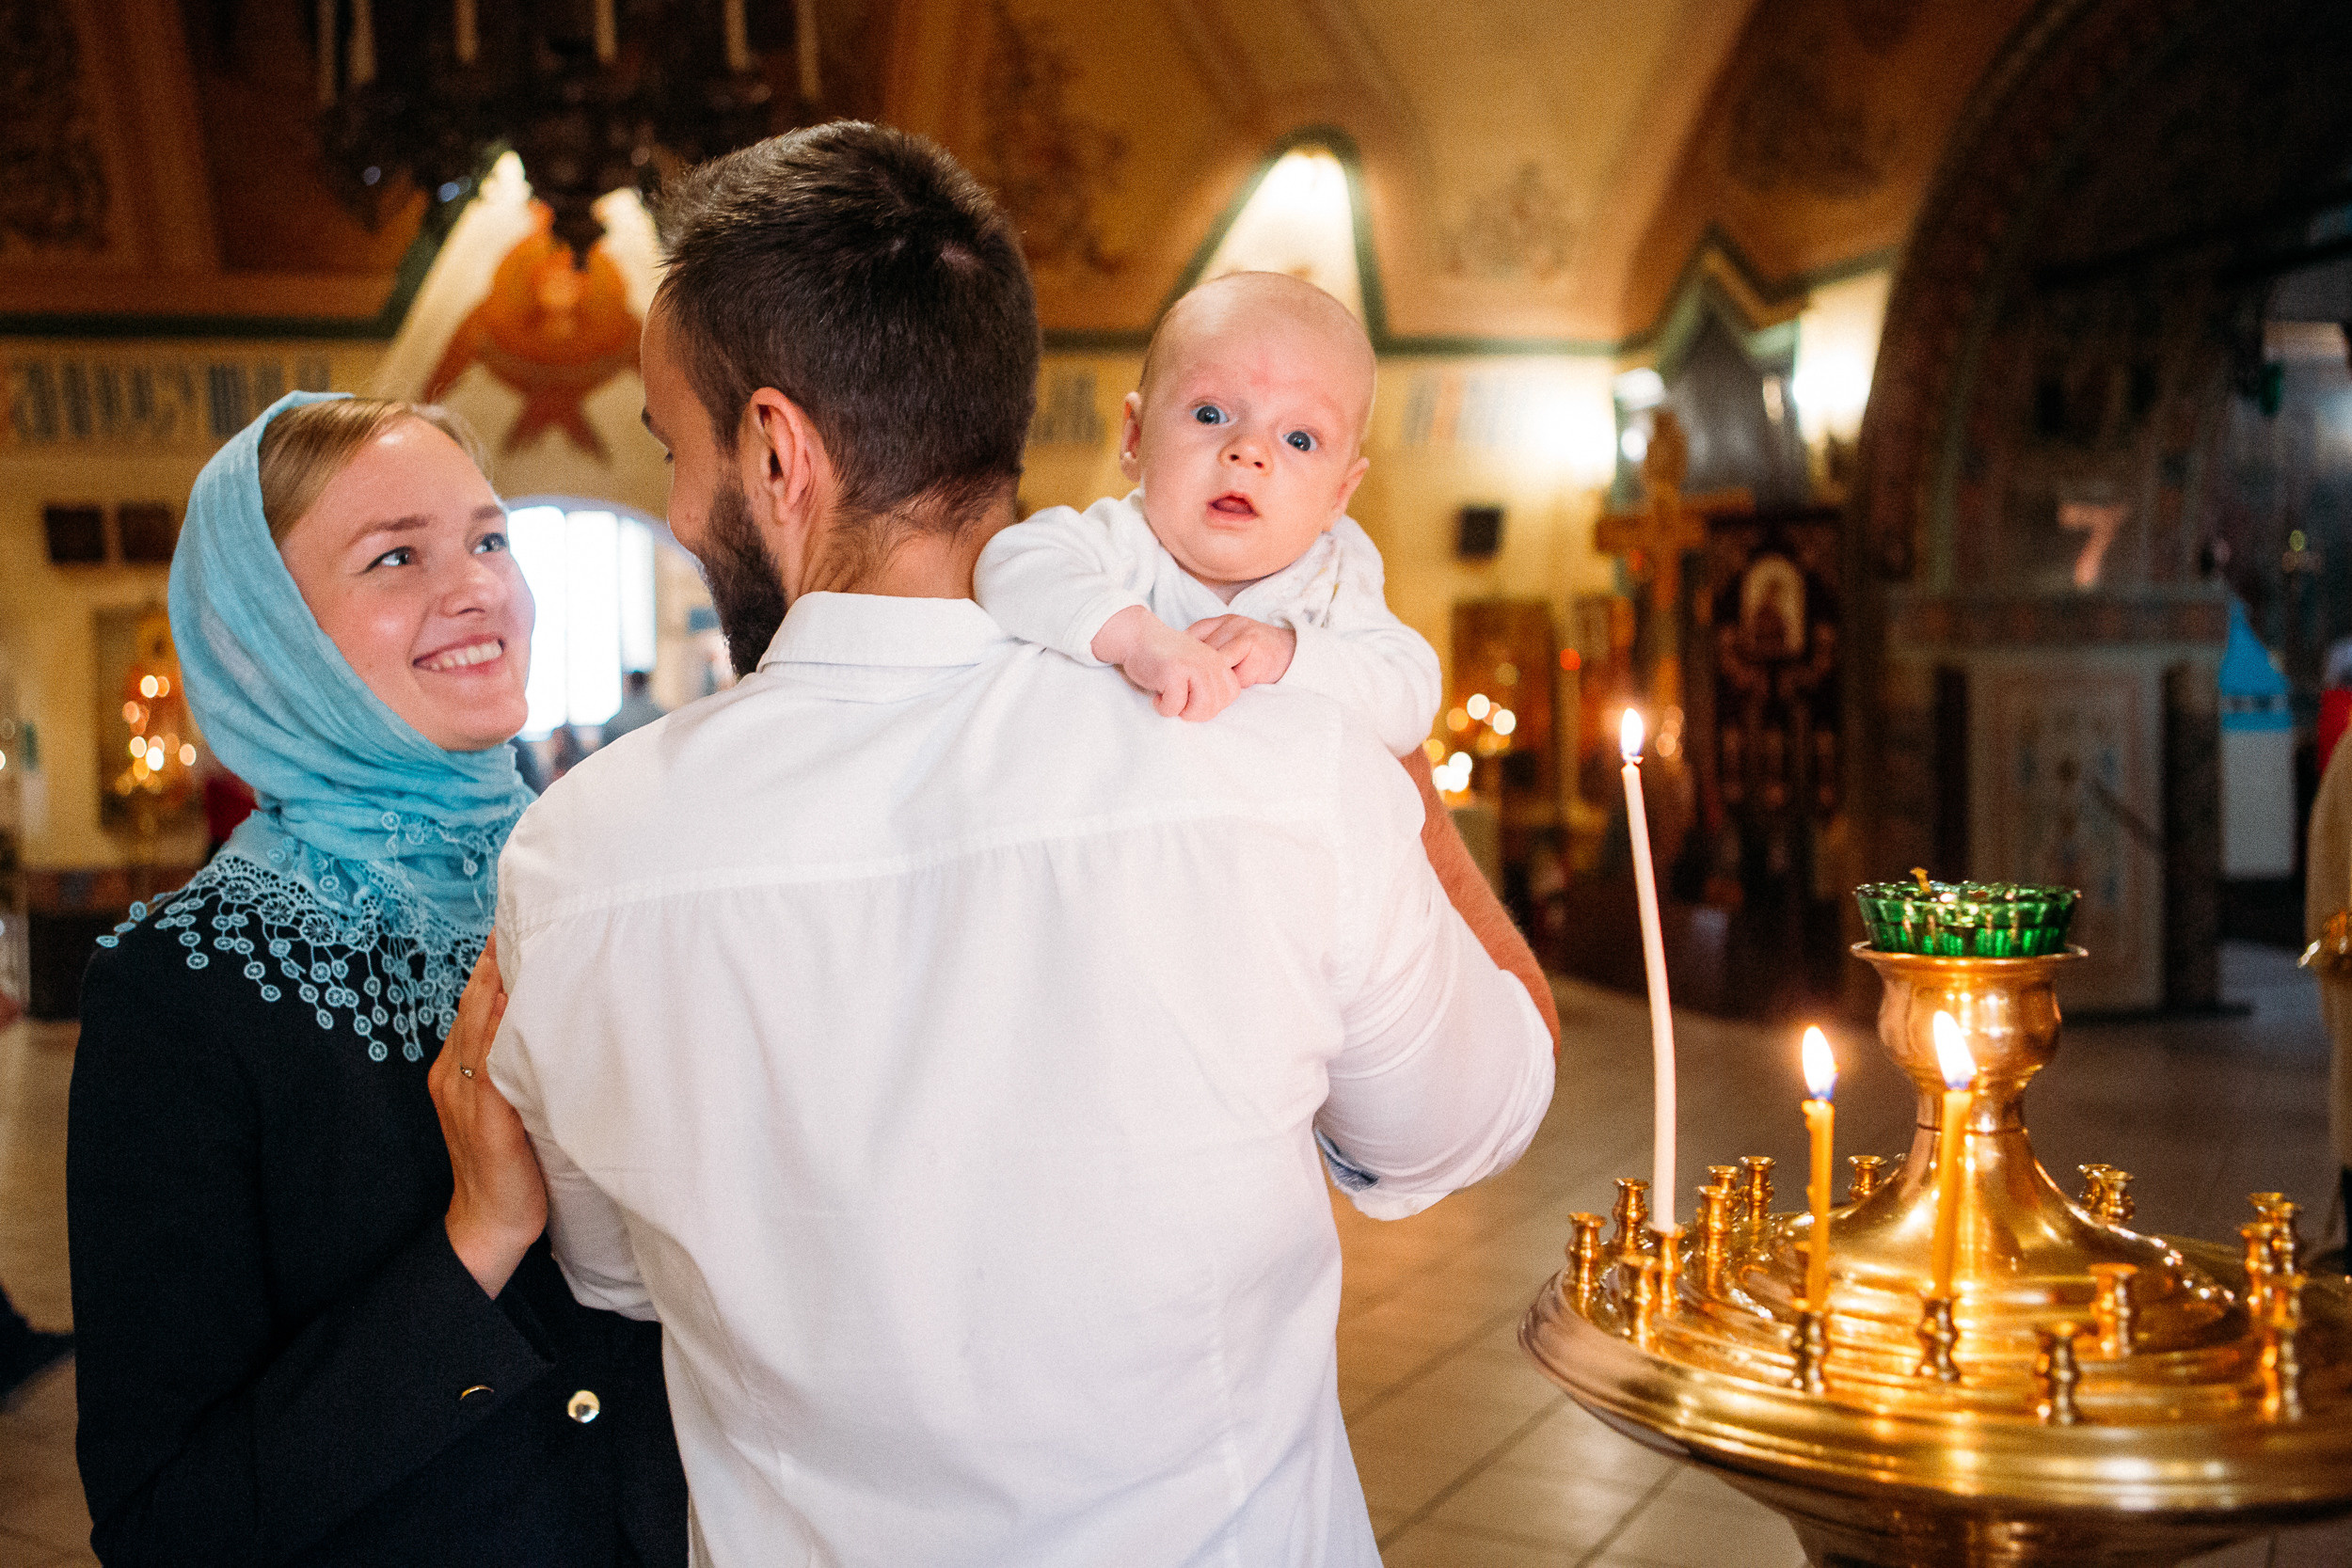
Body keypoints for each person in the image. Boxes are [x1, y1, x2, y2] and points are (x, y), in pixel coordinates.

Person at [481, 121, 1557, 1568]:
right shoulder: (1266, 754)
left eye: (675, 449)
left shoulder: (577, 866)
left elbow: (612, 1267)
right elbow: (1472, 1110)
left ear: (777, 450)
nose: (679, 506)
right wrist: (1364, 734)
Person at [68, 393, 686, 1566]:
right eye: (396, 555)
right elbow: (165, 1519)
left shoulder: (598, 886)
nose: (479, 589)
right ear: (269, 636)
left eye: (490, 538)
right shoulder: (181, 994)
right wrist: (476, 1238)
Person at [975, 271, 1438, 756]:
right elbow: (1009, 565)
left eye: (1299, 439)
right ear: (1135, 439)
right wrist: (1136, 639)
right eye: (1209, 414)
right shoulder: (1122, 539)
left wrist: (1288, 653)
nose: (1248, 451)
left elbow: (1410, 694)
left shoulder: (1337, 574)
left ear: (1339, 496)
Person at [601, 670, 664, 746]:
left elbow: (606, 753)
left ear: (627, 685)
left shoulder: (614, 723)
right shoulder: (662, 717)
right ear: (648, 684)